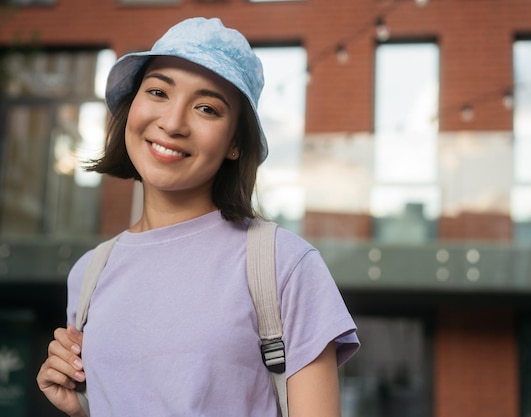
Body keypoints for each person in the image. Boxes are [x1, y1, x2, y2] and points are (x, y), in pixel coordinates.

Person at [36, 17, 359, 417]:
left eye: (206, 108)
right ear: (132, 105)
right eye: (158, 91)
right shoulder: (89, 274)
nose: (172, 123)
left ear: (235, 143)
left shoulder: (283, 265)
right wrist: (84, 407)